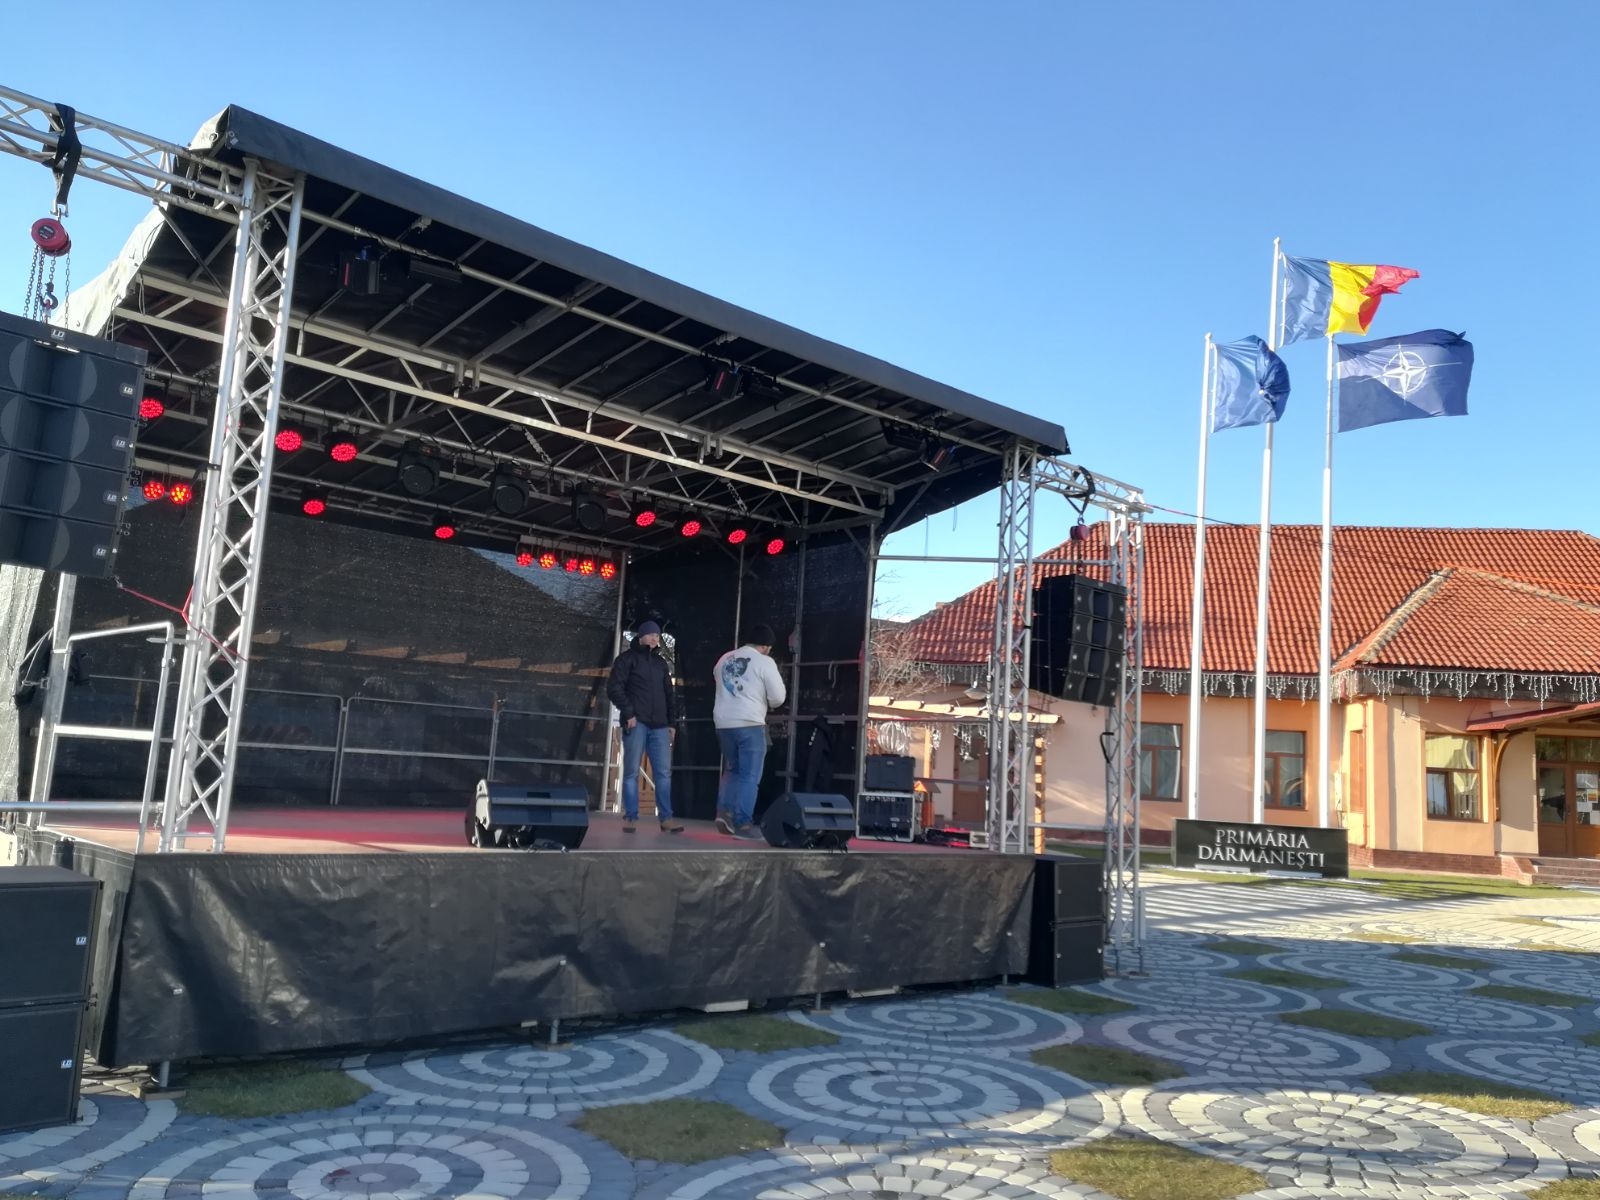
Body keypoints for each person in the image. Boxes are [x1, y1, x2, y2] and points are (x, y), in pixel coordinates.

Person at [606, 620, 683, 833]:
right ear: (641, 636)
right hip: (636, 722)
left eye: (657, 636)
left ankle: (666, 818)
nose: (654, 638)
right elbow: (613, 688)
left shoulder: (661, 663)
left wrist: (672, 723)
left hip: (660, 726)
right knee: (631, 772)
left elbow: (669, 694)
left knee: (663, 773)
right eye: (651, 635)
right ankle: (630, 817)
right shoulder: (626, 659)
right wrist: (629, 713)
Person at [712, 624, 787, 838]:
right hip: (750, 722)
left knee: (733, 769)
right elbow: (778, 697)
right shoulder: (764, 662)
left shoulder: (723, 659)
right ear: (765, 646)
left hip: (723, 723)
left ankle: (724, 812)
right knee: (750, 775)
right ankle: (743, 824)